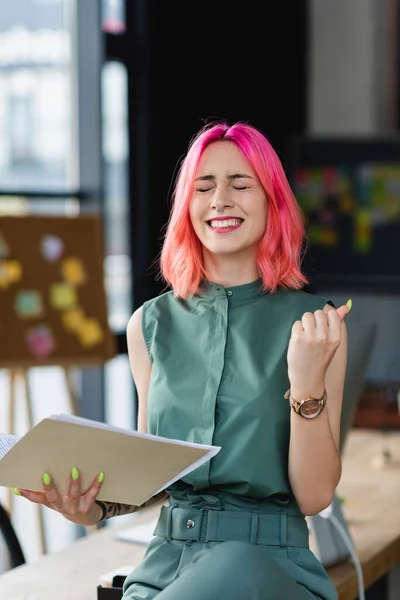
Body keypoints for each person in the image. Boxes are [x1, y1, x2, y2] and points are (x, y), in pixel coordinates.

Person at [15, 121, 349, 599]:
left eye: (240, 184)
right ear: (186, 207)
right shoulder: (148, 326)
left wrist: (306, 380)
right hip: (165, 566)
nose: (220, 200)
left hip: (271, 569)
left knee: (236, 563)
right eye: (204, 187)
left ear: (272, 200)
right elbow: (154, 477)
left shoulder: (316, 327)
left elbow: (315, 497)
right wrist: (84, 508)